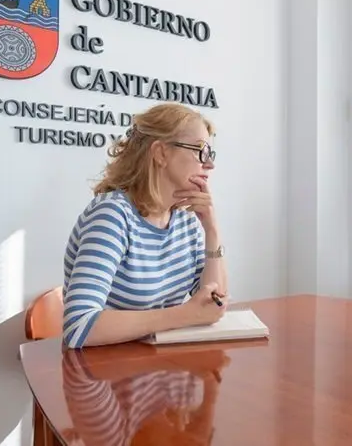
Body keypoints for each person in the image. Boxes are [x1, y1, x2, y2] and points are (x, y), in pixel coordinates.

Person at [62, 103, 228, 349]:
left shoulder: (187, 221)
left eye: (210, 154)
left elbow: (212, 305)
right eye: (200, 151)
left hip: (161, 370)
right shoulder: (113, 215)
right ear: (160, 153)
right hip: (107, 375)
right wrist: (184, 314)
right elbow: (79, 327)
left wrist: (212, 231)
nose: (209, 165)